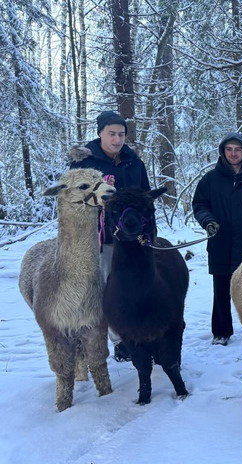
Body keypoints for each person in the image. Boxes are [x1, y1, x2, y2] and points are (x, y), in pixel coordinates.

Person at [70, 110, 150, 362]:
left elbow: (146, 198)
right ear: (100, 133)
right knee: (108, 287)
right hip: (99, 238)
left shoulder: (134, 163)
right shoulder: (84, 164)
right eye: (112, 134)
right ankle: (119, 340)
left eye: (121, 134)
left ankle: (140, 334)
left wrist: (148, 232)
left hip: (133, 237)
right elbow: (72, 203)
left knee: (135, 285)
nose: (117, 139)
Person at [193, 132, 242, 346]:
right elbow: (200, 205)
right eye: (229, 149)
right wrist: (208, 222)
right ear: (223, 152)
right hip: (220, 243)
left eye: (237, 150)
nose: (233, 153)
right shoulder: (210, 179)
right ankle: (221, 332)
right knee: (221, 290)